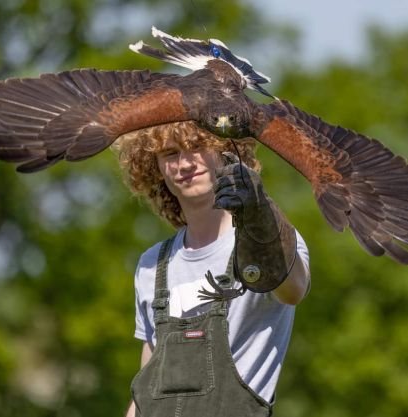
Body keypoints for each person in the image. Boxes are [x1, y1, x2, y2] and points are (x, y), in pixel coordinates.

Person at [114, 121, 311, 417]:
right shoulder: (152, 264)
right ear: (154, 168)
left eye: (197, 147)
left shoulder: (270, 242)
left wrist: (261, 212)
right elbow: (147, 387)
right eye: (169, 153)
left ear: (225, 150)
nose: (184, 163)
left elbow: (294, 289)